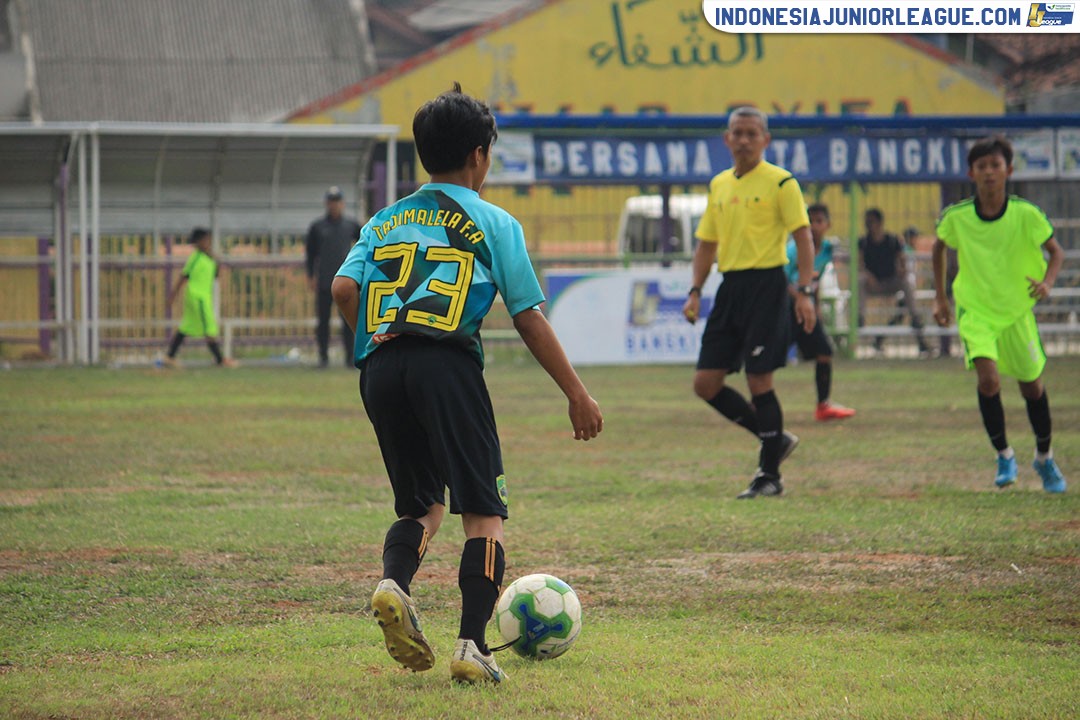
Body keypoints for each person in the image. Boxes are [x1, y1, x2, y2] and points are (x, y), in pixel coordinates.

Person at [331, 82, 604, 684]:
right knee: (482, 513)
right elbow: (528, 316)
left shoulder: (385, 218)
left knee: (423, 504)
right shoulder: (494, 222)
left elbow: (343, 290)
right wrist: (576, 393)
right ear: (480, 155)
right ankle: (471, 646)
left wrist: (375, 340)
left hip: (381, 367)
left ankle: (393, 584)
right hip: (446, 365)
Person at [682, 106, 816, 499]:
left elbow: (803, 237)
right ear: (727, 139)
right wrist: (695, 289)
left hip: (767, 286)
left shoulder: (781, 183)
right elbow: (707, 242)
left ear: (765, 140)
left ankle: (769, 475)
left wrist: (805, 291)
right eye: (737, 133)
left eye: (751, 133)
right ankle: (774, 438)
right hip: (730, 289)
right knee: (705, 383)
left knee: (760, 380)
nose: (743, 140)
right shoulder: (719, 184)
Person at [932, 134, 1066, 493]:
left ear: (1008, 170)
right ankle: (1004, 454)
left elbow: (1056, 252)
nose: (989, 172)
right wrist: (941, 300)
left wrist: (1047, 282)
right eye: (981, 166)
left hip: (1016, 311)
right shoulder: (958, 217)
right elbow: (938, 247)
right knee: (988, 380)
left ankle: (1044, 457)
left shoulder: (1025, 214)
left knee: (1032, 387)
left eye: (995, 165)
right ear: (971, 173)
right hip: (976, 310)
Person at [785, 204, 856, 421]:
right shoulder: (793, 249)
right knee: (769, 357)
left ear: (828, 225)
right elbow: (782, 280)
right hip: (784, 308)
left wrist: (813, 306)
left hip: (805, 308)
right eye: (810, 221)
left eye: (819, 221)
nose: (814, 226)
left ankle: (823, 405)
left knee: (824, 352)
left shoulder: (826, 250)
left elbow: (812, 282)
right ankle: (757, 403)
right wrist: (800, 298)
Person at [858, 208, 930, 356]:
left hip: (892, 282)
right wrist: (868, 275)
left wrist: (902, 270)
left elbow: (902, 259)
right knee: (860, 281)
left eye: (871, 221)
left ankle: (916, 319)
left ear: (880, 223)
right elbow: (859, 265)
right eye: (866, 221)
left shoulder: (892, 240)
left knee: (905, 286)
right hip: (873, 284)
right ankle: (859, 318)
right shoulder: (863, 242)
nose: (868, 225)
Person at [163, 227, 236, 368]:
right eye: (205, 240)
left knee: (187, 326)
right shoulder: (195, 258)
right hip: (197, 296)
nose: (207, 242)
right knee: (209, 326)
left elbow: (216, 276)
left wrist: (216, 260)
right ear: (197, 242)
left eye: (208, 240)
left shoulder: (208, 258)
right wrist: (173, 296)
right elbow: (183, 276)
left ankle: (169, 356)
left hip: (203, 296)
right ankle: (220, 360)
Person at [306, 186, 362, 367]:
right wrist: (311, 276)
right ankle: (323, 357)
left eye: (337, 202)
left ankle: (349, 357)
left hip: (346, 281)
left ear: (342, 204)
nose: (334, 206)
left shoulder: (351, 226)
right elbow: (310, 254)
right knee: (323, 321)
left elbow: (365, 245)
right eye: (331, 202)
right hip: (324, 280)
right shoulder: (317, 227)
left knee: (348, 320)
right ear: (327, 204)